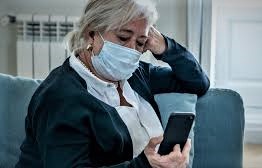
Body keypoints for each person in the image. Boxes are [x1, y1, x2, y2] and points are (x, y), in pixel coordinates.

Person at [15, 0, 210, 167]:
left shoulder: (136, 74)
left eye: (141, 42)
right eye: (123, 37)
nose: (131, 50)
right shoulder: (59, 97)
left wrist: (165, 46)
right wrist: (145, 165)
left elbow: (198, 82)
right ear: (91, 34)